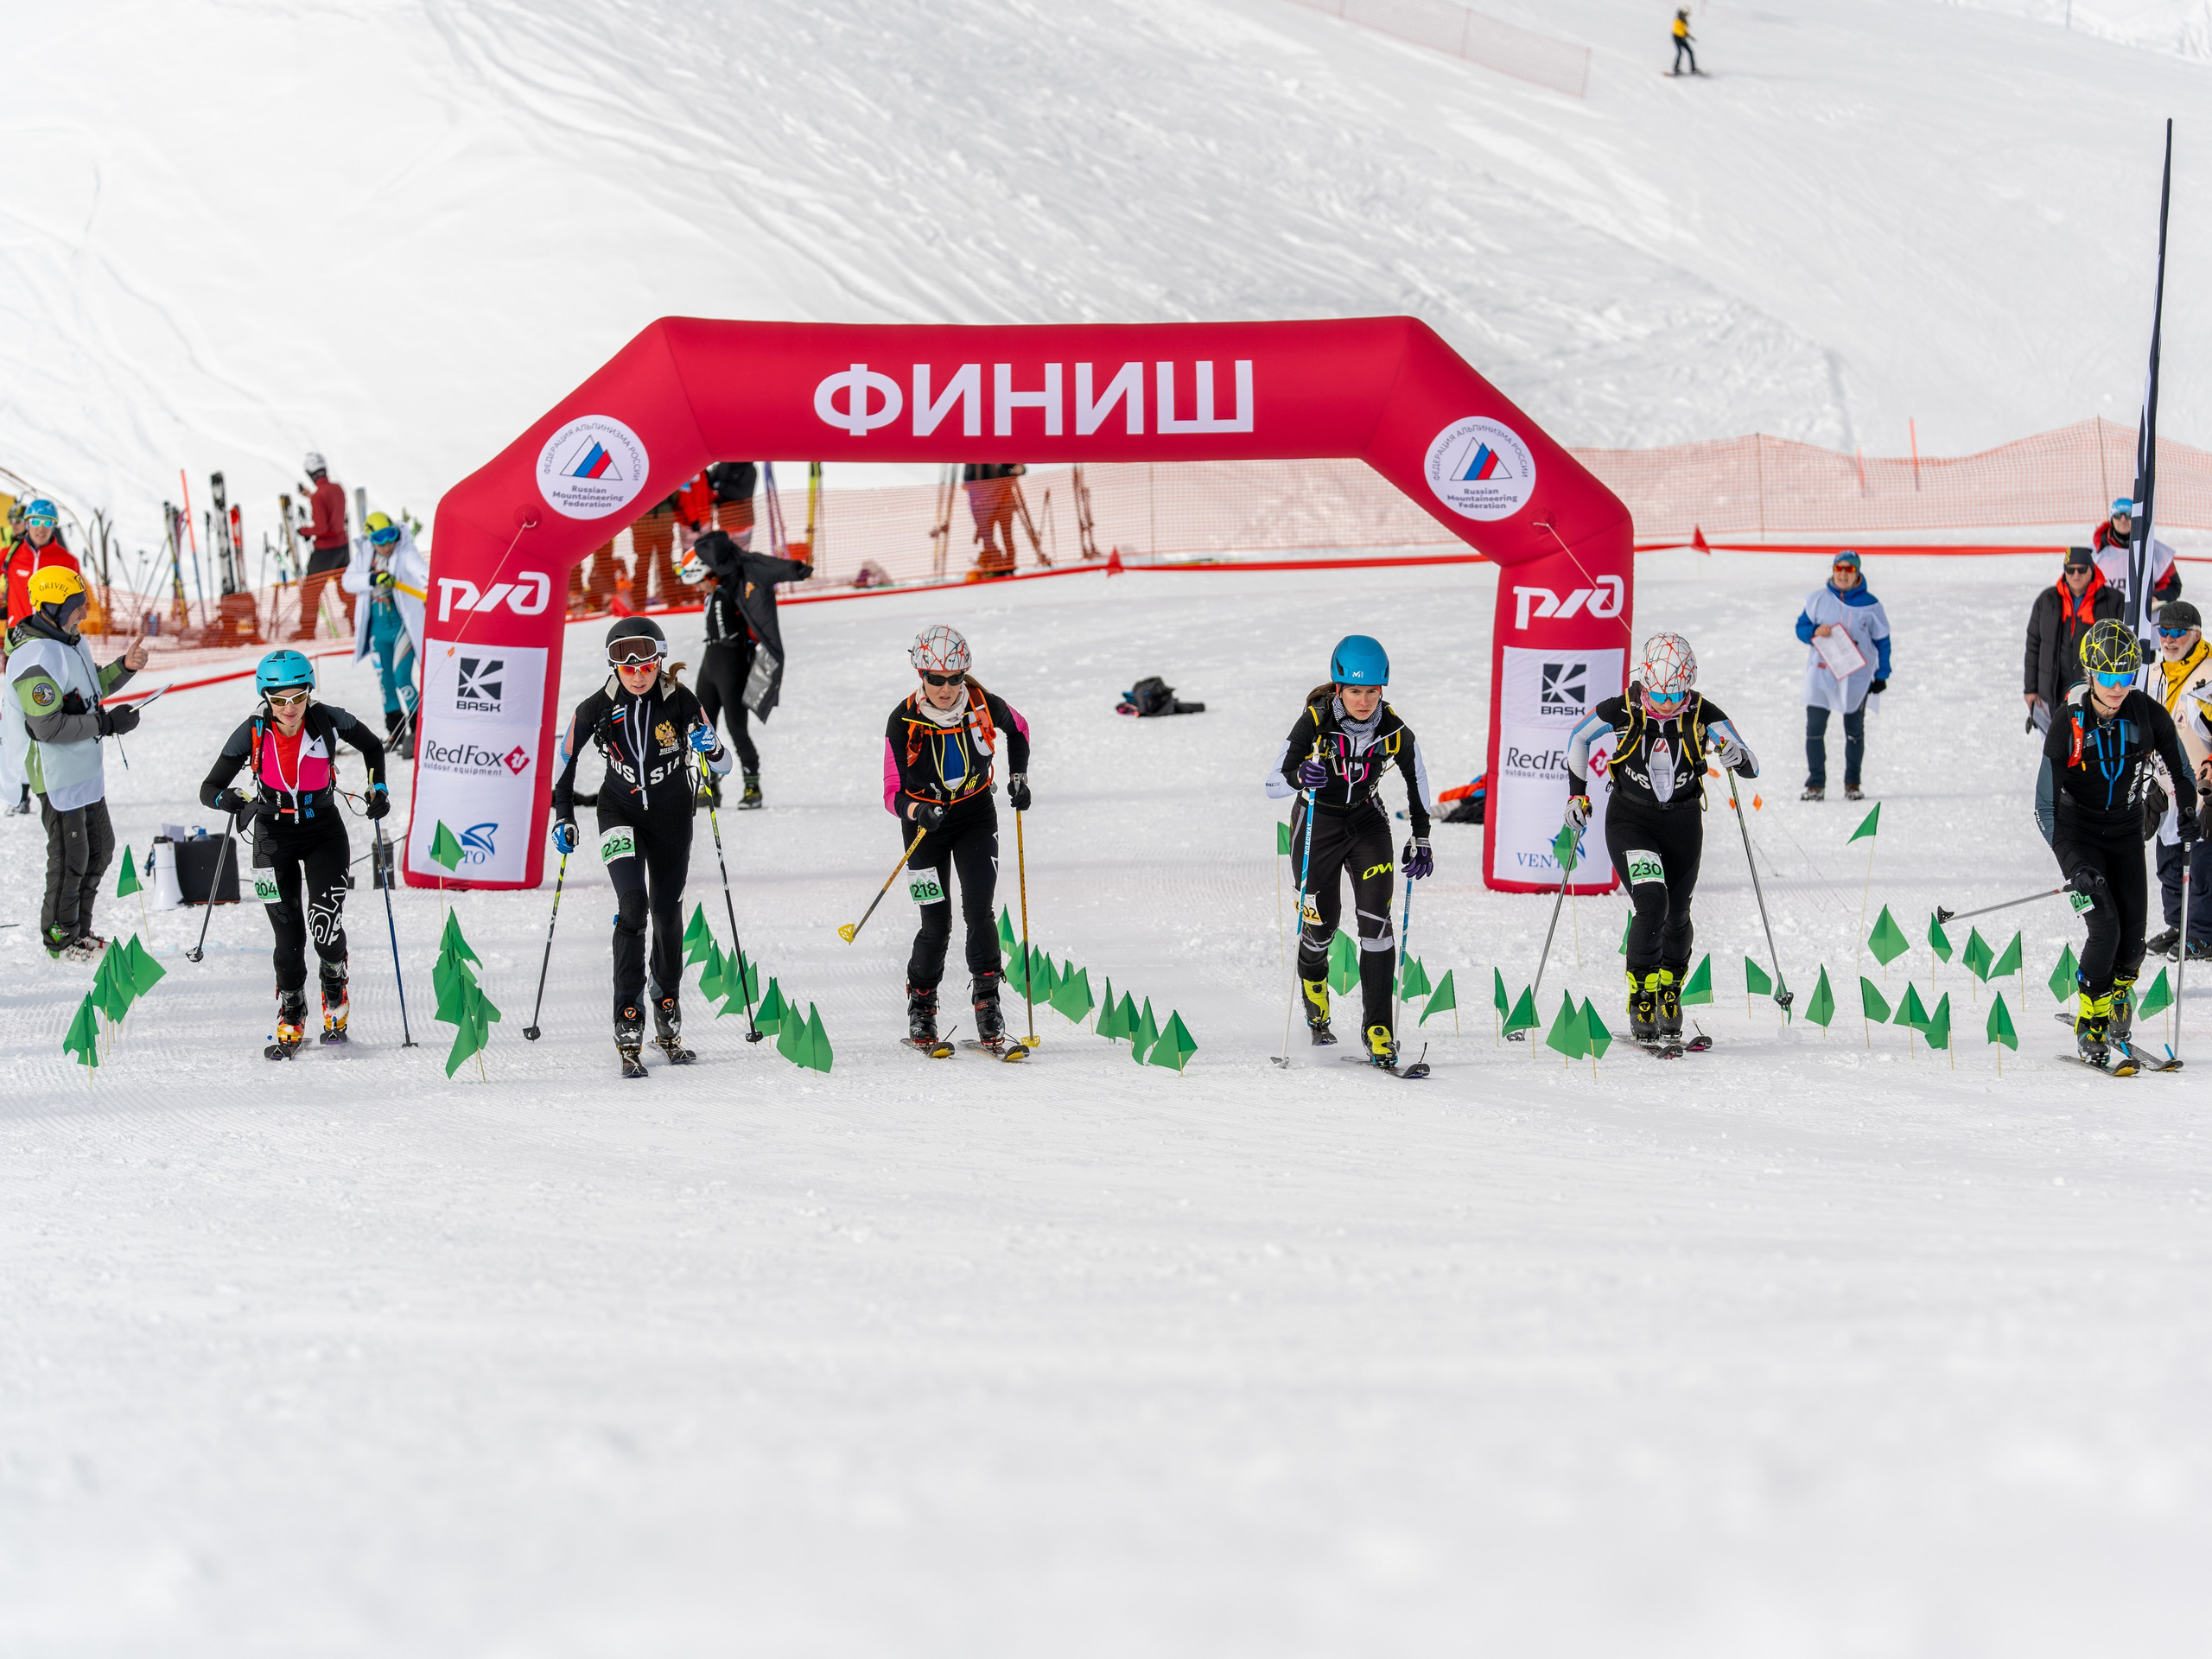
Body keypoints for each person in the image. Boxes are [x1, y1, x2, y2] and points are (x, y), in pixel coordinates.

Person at [550, 617, 733, 1078]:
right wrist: (564, 815)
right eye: (625, 665)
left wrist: (710, 750)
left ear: (659, 660)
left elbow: (724, 764)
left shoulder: (680, 700)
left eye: (645, 663)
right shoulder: (597, 706)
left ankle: (666, 1009)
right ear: (613, 667)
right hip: (618, 812)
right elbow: (565, 762)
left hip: (671, 814)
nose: (636, 673)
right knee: (633, 906)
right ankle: (627, 1017)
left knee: (668, 912)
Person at [1566, 632, 1759, 1046]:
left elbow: (1750, 764)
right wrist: (1576, 794)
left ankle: (1669, 993)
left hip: (1683, 823)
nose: (1668, 703)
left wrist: (1736, 757)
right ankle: (1642, 995)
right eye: (1658, 694)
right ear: (1645, 681)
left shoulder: (1703, 713)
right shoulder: (1623, 709)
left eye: (1676, 696)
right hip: (1631, 820)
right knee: (1652, 903)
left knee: (1678, 914)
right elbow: (1579, 737)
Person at [199, 651, 389, 1053]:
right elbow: (209, 788)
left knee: (324, 929)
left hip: (324, 832)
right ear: (265, 697)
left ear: (309, 691)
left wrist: (379, 789)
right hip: (271, 839)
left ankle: (334, 982)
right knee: (288, 940)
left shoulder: (328, 719)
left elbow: (373, 747)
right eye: (279, 699)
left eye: (298, 697)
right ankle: (292, 1008)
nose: (289, 708)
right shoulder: (251, 731)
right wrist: (228, 800)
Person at [1266, 634, 1433, 1069]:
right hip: (1317, 823)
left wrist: (1422, 835)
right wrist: (1301, 774)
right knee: (1322, 926)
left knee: (1377, 923)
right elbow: (1272, 783)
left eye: (1373, 691)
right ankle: (1314, 989)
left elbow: (1418, 785)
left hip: (1366, 823)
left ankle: (1378, 1028)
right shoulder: (1316, 720)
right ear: (1338, 688)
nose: (1364, 701)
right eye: (1355, 691)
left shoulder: (1396, 731)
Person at [2035, 620, 2199, 1065]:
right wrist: (2071, 864)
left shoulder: (2144, 712)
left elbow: (2182, 770)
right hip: (2078, 836)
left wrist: (2187, 810)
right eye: (2106, 677)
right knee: (2104, 927)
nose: (2115, 687)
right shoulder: (2067, 723)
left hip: (2126, 834)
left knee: (2133, 942)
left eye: (2125, 676)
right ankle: (2092, 1019)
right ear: (2090, 674)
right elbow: (2044, 809)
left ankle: (2119, 997)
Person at [883, 626, 1032, 1052]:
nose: (946, 689)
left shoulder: (982, 703)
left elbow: (1018, 729)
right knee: (936, 923)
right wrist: (919, 811)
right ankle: (922, 1008)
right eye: (935, 678)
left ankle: (988, 1006)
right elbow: (892, 793)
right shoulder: (903, 719)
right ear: (921, 674)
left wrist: (1018, 777)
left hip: (974, 816)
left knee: (979, 911)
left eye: (954, 679)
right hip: (922, 826)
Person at [4, 569, 145, 959]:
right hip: (54, 771)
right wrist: (106, 723)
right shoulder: (34, 658)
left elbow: (89, 689)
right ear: (53, 606)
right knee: (71, 855)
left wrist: (125, 667)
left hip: (82, 764)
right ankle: (59, 939)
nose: (83, 613)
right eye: (76, 606)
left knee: (100, 847)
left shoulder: (68, 641)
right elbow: (47, 726)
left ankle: (79, 930)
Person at [678, 518, 811, 810]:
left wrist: (794, 570)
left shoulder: (733, 589)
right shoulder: (710, 596)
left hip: (732, 664)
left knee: (736, 728)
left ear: (711, 574)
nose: (698, 587)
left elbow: (758, 566)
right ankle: (709, 784)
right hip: (710, 663)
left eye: (699, 581)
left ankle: (753, 787)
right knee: (702, 727)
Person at [2144, 601, 2212, 960]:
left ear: (2195, 635)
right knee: (2167, 858)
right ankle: (2178, 925)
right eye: (2164, 632)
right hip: (2166, 784)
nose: (2169, 640)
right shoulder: (2154, 674)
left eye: (2178, 633)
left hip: (2203, 788)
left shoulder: (2210, 674)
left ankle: (2203, 932)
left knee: (2200, 863)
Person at [1795, 549, 1891, 801]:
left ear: (1858, 572)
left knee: (1854, 731)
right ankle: (1815, 784)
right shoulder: (1817, 600)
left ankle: (1852, 783)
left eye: (1849, 569)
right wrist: (1815, 630)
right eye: (1839, 568)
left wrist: (1882, 674)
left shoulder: (1871, 605)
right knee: (1814, 729)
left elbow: (1883, 641)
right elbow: (1801, 628)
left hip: (1856, 679)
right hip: (1822, 676)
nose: (1843, 574)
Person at [341, 512, 426, 759]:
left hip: (401, 627)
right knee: (386, 684)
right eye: (381, 539)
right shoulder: (366, 554)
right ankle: (396, 732)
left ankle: (418, 729)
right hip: (377, 630)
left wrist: (430, 584)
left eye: (392, 536)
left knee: (402, 679)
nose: (388, 544)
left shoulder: (404, 551)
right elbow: (348, 581)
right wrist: (373, 577)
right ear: (371, 539)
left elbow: (420, 570)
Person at [2024, 549, 2122, 733]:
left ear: (2092, 569)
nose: (2076, 574)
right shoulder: (2047, 600)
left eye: (2082, 569)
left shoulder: (2113, 600)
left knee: (2093, 744)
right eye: (2071, 570)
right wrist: (2031, 688)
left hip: (2096, 690)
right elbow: (2033, 645)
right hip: (2054, 691)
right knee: (2058, 746)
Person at [292, 454, 354, 640]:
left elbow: (321, 528)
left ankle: (306, 631)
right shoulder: (337, 489)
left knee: (310, 592)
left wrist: (303, 531)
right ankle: (356, 623)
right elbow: (331, 510)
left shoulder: (319, 496)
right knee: (346, 589)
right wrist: (311, 496)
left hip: (325, 552)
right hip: (343, 548)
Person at [2090, 497, 2180, 619]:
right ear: (2111, 519)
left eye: (2129, 515)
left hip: (2144, 623)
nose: (2123, 519)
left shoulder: (2154, 550)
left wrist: (2155, 598)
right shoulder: (2095, 552)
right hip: (2107, 620)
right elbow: (2080, 586)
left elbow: (2172, 585)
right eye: (2118, 515)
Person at [3, 497, 80, 630]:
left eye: (48, 523)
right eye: (36, 521)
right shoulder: (10, 554)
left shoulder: (67, 561)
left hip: (52, 637)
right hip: (17, 633)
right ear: (27, 524)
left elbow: (80, 601)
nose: (41, 528)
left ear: (54, 526)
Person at [963, 464, 1023, 577]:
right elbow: (968, 479)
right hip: (985, 508)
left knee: (1007, 538)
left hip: (1004, 505)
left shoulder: (999, 456)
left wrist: (1019, 468)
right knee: (988, 540)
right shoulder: (973, 462)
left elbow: (1017, 466)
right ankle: (997, 565)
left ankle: (1008, 567)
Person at [709, 461, 759, 546]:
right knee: (726, 553)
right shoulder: (724, 464)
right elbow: (711, 482)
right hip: (724, 521)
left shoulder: (749, 469)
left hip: (742, 523)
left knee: (741, 554)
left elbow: (743, 493)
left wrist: (721, 486)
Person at [1670, 9, 1699, 75]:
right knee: (1680, 52)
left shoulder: (1684, 21)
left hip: (1682, 38)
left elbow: (1684, 30)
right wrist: (1684, 35)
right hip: (1677, 38)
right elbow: (1677, 30)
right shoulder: (1677, 21)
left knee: (1691, 52)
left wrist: (1689, 36)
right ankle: (1676, 68)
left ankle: (1693, 69)